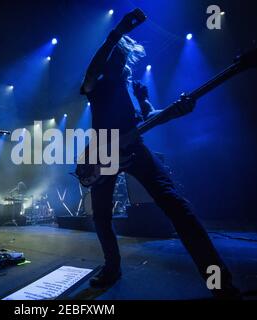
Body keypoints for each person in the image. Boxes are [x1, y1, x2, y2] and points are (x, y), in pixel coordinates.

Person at [79, 8, 240, 299]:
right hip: (102, 151)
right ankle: (112, 267)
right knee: (102, 216)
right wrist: (115, 34)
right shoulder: (98, 86)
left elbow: (150, 115)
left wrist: (176, 111)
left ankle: (219, 280)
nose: (119, 60)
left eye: (121, 55)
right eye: (115, 54)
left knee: (177, 206)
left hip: (134, 148)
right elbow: (90, 74)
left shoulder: (135, 87)